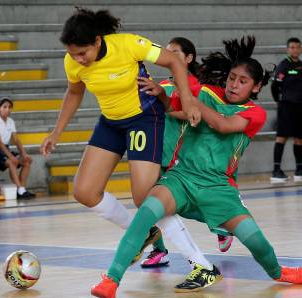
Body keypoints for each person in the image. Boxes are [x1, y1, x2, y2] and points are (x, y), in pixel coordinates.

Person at [91, 36, 302, 298]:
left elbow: (223, 125)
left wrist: (191, 101)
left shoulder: (254, 112)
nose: (233, 85)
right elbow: (176, 111)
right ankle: (111, 280)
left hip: (219, 189)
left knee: (255, 241)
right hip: (181, 179)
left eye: (242, 81)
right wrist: (163, 96)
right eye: (231, 78)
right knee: (145, 212)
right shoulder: (206, 93)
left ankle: (278, 272)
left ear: (256, 87)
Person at [40, 8, 201, 266]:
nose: (78, 59)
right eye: (73, 54)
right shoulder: (72, 62)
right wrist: (56, 132)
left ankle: (200, 263)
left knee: (144, 197)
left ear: (97, 41)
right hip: (111, 122)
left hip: (144, 117)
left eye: (83, 53)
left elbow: (174, 61)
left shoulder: (128, 44)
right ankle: (143, 232)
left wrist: (189, 100)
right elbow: (74, 92)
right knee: (84, 191)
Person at [140, 37, 233, 269]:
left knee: (185, 203)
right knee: (152, 202)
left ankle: (224, 223)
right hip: (156, 150)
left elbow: (196, 115)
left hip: (179, 155)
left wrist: (167, 105)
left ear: (189, 58)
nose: (168, 55)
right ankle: (159, 250)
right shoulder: (162, 83)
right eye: (166, 51)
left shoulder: (195, 87)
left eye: (175, 52)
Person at [270, 37, 302, 183]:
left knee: (299, 137)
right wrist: (280, 101)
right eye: (292, 47)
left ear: (300, 49)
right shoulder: (283, 65)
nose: (295, 49)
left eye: (297, 47)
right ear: (288, 49)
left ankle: (299, 169)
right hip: (286, 106)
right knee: (282, 136)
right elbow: (274, 85)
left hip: (300, 106)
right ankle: (276, 171)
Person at [0, 97, 35, 199]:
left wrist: (24, 154)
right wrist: (11, 156)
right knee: (12, 161)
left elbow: (16, 140)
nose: (8, 109)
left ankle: (21, 189)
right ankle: (19, 189)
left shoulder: (10, 121)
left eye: (10, 107)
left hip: (4, 148)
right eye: (5, 107)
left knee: (27, 160)